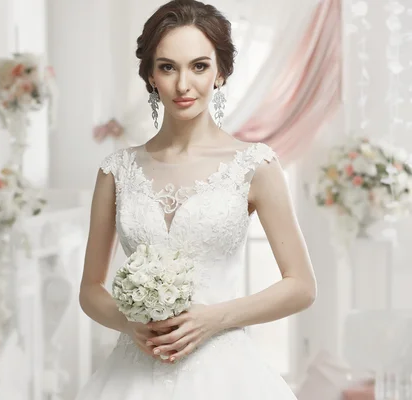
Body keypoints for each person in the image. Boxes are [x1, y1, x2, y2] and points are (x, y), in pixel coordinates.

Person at [77, 0, 317, 398]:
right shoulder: (116, 170)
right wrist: (131, 324)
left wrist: (214, 319)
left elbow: (302, 286)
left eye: (199, 66)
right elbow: (90, 290)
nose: (183, 84)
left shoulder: (254, 165)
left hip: (225, 372)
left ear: (220, 73)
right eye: (167, 67)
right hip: (134, 370)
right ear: (151, 76)